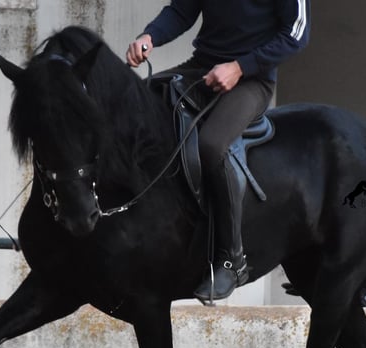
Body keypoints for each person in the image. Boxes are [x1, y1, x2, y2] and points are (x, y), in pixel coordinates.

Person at [127, 1, 310, 302]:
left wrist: (239, 68)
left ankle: (231, 261)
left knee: (212, 146)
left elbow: (296, 34)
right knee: (136, 105)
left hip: (252, 79)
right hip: (202, 67)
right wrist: (150, 37)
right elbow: (181, 11)